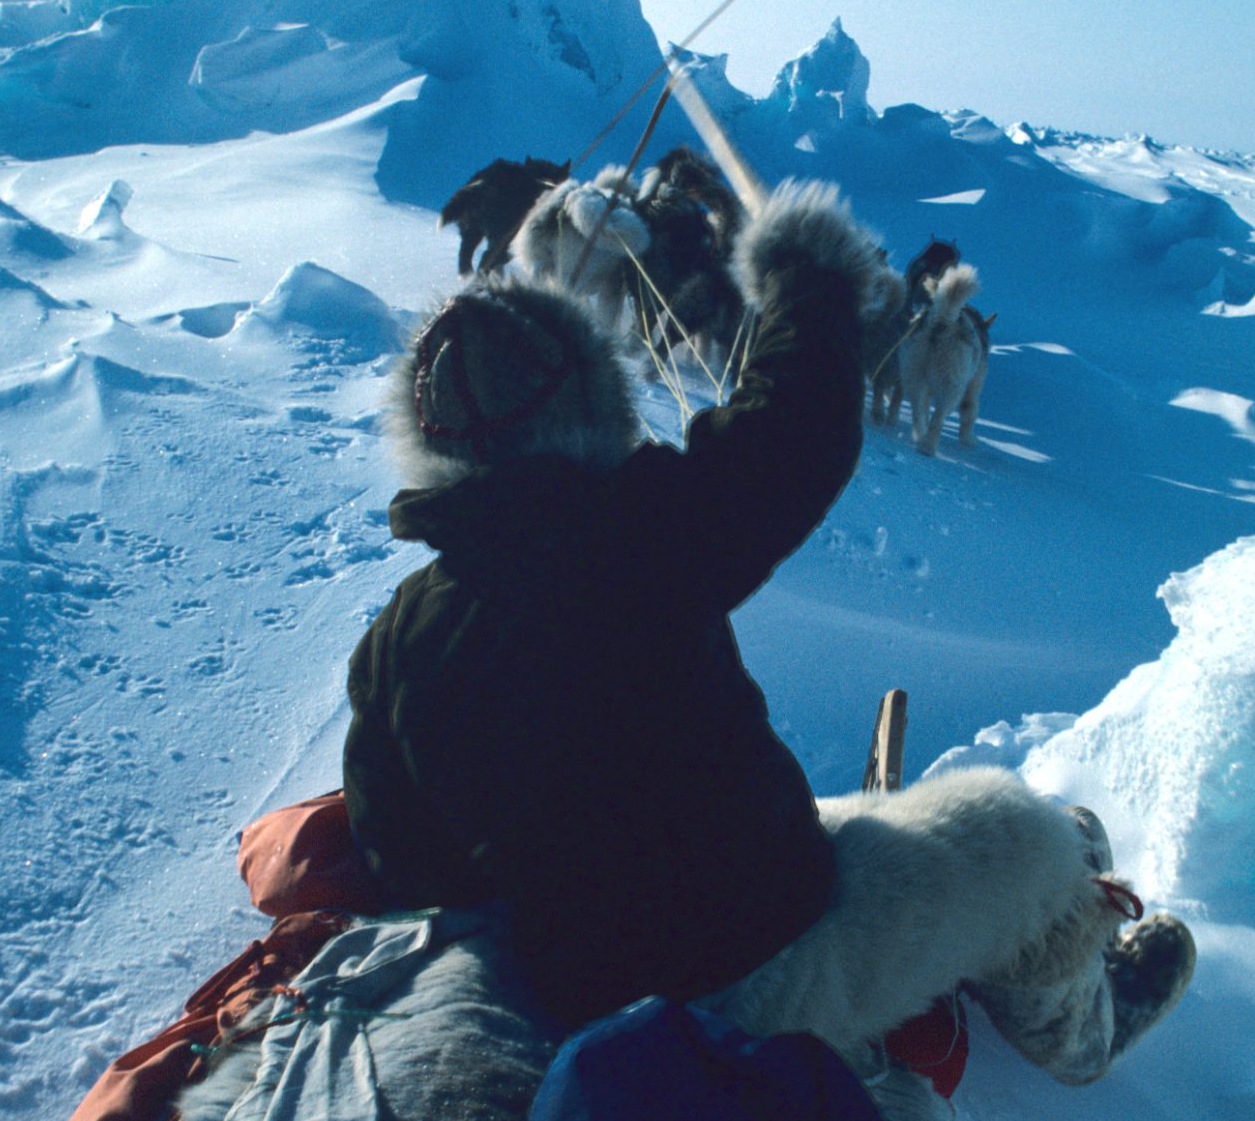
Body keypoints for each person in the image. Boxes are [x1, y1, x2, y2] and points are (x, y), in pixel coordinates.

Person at [343, 178, 886, 1029]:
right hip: (765, 948)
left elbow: (403, 857)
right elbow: (797, 427)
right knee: (1009, 843)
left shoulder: (397, 640)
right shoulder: (644, 531)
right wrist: (805, 275)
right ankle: (1069, 1020)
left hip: (578, 1004)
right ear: (590, 396)